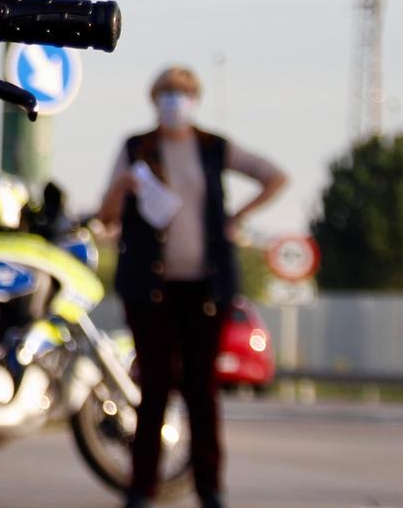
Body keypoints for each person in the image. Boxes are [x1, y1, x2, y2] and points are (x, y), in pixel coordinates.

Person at [94, 65, 287, 508]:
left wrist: (239, 217)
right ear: (154, 99)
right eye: (167, 93)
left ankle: (209, 485)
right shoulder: (137, 147)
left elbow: (274, 175)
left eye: (182, 93)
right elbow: (107, 218)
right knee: (155, 387)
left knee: (202, 388)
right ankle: (142, 486)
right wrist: (123, 188)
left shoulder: (212, 147)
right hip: (151, 288)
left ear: (195, 99)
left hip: (205, 286)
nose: (174, 101)